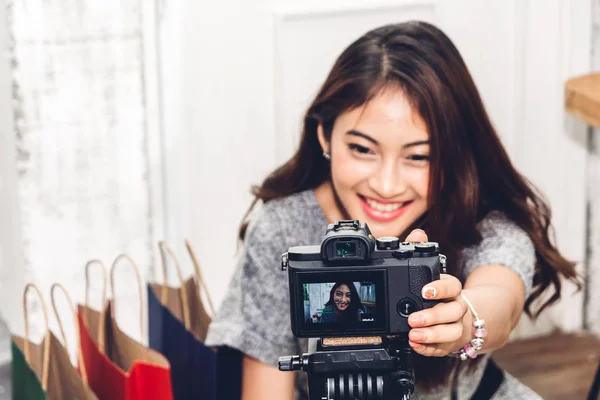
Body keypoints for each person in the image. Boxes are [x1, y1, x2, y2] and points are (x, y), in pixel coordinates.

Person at [205, 20, 580, 399]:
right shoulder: (283, 229)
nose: (386, 185)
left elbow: (501, 298)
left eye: (418, 156)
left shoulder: (482, 220)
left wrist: (462, 320)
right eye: (363, 149)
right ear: (325, 135)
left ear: (454, 154)